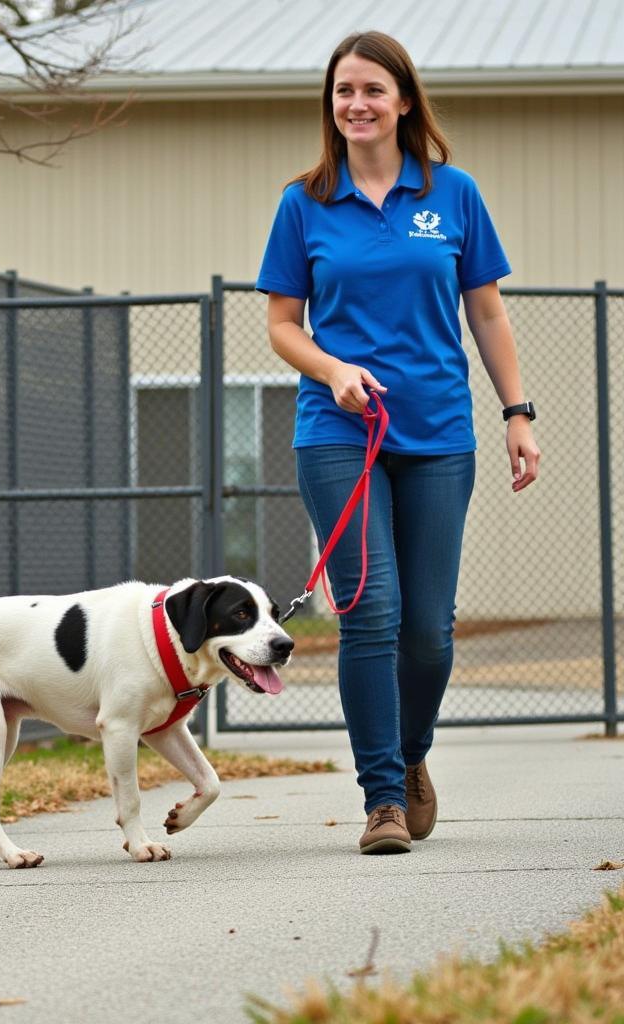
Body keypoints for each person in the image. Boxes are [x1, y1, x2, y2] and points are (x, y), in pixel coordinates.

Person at [256, 31, 540, 854]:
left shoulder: (452, 195)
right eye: (343, 91)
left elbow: (486, 311)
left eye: (372, 90)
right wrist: (334, 368)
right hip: (338, 432)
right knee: (369, 613)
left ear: (404, 100)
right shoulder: (303, 202)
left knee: (429, 630)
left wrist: (517, 412)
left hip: (439, 434)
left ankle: (412, 754)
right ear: (331, 105)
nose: (356, 104)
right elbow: (281, 325)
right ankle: (383, 796)